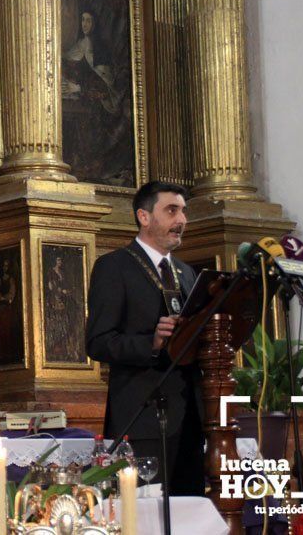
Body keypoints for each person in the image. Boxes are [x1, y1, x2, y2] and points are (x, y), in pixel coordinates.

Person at [86, 181, 203, 496]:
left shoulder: (186, 273)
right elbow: (98, 341)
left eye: (183, 212)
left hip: (190, 416)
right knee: (146, 515)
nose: (182, 220)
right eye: (171, 210)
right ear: (144, 216)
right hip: (142, 416)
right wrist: (151, 343)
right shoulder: (114, 267)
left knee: (189, 514)